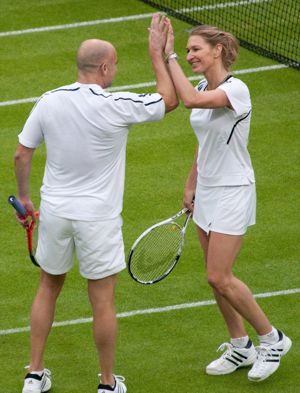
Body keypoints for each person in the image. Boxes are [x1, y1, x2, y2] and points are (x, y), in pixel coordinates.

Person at [14, 14, 177, 393]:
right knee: (102, 301)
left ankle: (34, 375)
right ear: (105, 67)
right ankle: (106, 383)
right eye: (116, 63)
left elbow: (22, 154)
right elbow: (169, 100)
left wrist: (25, 198)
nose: (116, 69)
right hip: (98, 219)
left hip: (55, 213)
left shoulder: (48, 101)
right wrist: (157, 53)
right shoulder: (117, 104)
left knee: (47, 287)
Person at [150, 18, 292, 382]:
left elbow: (191, 102)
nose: (190, 55)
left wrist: (168, 56)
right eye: (186, 50)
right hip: (208, 190)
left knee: (220, 275)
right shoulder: (200, 83)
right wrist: (190, 183)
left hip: (233, 190)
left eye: (195, 49)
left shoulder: (237, 89)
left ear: (217, 51)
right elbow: (204, 142)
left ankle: (272, 339)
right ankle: (240, 345)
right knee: (213, 280)